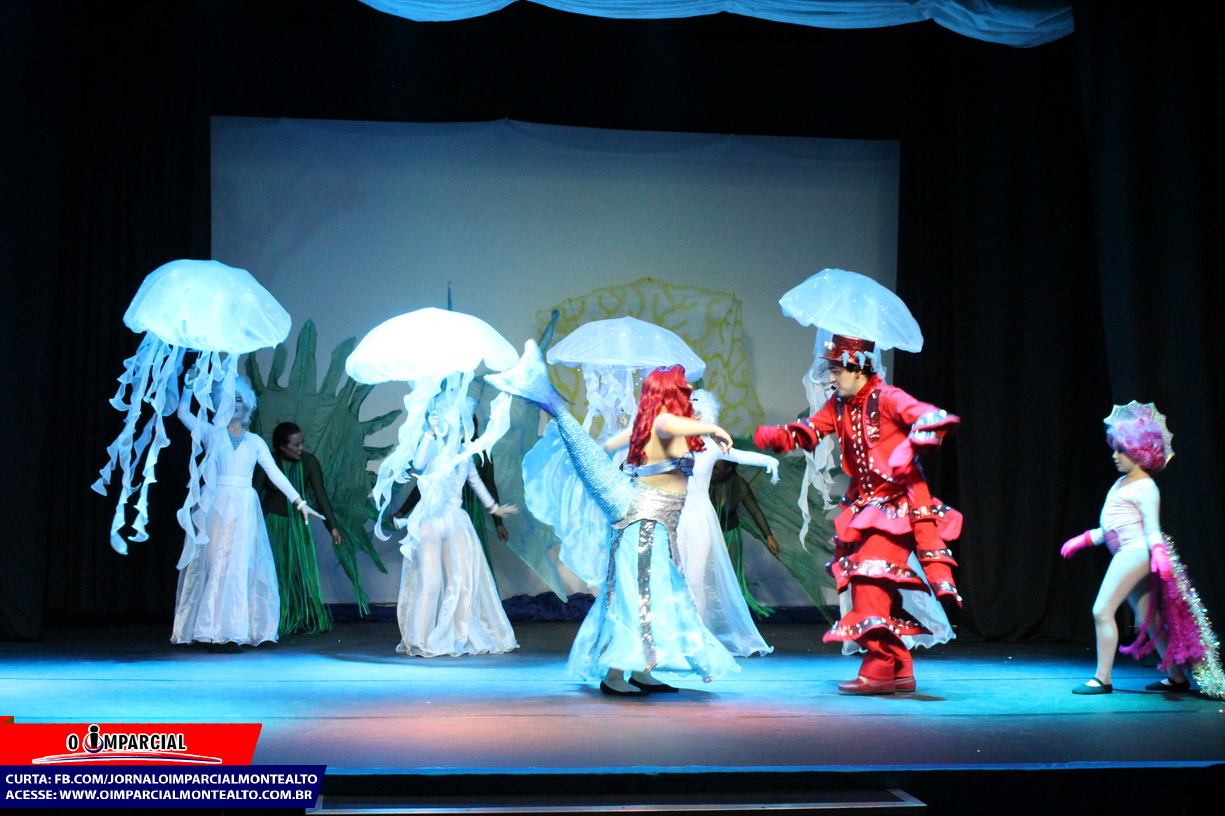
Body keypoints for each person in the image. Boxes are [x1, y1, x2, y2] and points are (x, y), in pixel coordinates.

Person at [488, 340, 739, 695]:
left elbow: (608, 447)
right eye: (684, 388)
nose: (689, 393)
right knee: (637, 597)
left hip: (655, 525)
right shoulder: (665, 422)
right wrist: (711, 429)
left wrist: (625, 458)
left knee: (654, 596)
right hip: (643, 524)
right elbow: (660, 426)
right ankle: (615, 676)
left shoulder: (654, 426)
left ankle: (642, 670)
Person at [755, 334, 960, 694]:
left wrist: (911, 445)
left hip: (898, 506)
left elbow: (933, 417)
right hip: (866, 507)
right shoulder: (839, 404)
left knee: (868, 581)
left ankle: (879, 669)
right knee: (876, 585)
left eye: (836, 371)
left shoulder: (888, 396)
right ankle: (899, 665)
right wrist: (782, 436)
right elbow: (812, 429)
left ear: (858, 368)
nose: (831, 378)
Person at [1060, 401, 1221, 696]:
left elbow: (1151, 529)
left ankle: (1102, 679)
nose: (1115, 455)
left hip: (1135, 553)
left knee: (1101, 610)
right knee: (1150, 618)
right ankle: (1176, 677)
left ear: (1139, 451)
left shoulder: (1146, 487)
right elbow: (1112, 526)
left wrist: (1158, 552)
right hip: (1128, 551)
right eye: (1115, 449)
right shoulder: (1121, 483)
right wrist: (1084, 539)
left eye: (1121, 450)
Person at [173, 375, 324, 651]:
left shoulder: (255, 442)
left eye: (240, 399)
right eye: (230, 398)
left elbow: (275, 473)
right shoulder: (212, 433)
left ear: (248, 407)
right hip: (218, 503)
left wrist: (299, 502)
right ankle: (213, 630)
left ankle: (236, 629)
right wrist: (188, 385)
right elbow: (183, 413)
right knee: (218, 565)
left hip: (243, 506)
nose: (235, 403)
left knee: (240, 566)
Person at [649, 389, 778, 657]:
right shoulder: (672, 441)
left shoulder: (711, 445)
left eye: (697, 408)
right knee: (675, 575)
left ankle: (696, 635)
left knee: (695, 577)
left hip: (699, 515)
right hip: (673, 514)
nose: (692, 411)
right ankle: (673, 635)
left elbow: (740, 456)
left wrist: (769, 461)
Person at [394, 408, 519, 657]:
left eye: (470, 428)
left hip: (455, 520)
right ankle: (419, 638)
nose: (467, 432)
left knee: (460, 582)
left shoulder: (466, 454)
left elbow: (477, 482)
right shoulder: (433, 449)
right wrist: (429, 433)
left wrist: (495, 509)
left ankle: (459, 634)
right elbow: (417, 465)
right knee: (431, 582)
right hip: (430, 521)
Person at [253, 422, 341, 635]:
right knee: (273, 571)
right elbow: (254, 493)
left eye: (302, 443)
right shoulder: (268, 462)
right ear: (282, 446)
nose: (301, 448)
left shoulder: (309, 462)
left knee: (297, 571)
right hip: (273, 524)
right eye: (296, 444)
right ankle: (273, 618)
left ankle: (297, 617)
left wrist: (332, 527)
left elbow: (320, 496)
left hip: (298, 525)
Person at [709, 458, 782, 618]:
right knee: (708, 574)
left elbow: (755, 510)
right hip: (707, 537)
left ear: (729, 469)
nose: (712, 471)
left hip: (730, 535)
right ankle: (709, 613)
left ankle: (731, 615)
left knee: (731, 577)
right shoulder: (703, 481)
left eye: (716, 468)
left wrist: (769, 535)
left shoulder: (739, 485)